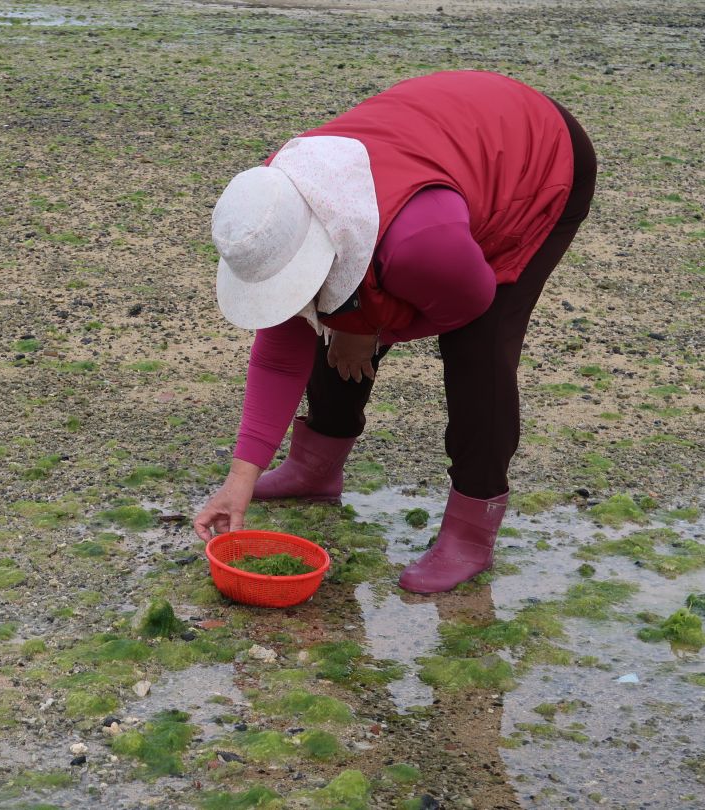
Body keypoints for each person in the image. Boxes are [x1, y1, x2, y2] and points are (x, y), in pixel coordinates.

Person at [193, 70, 596, 594]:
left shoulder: (421, 247)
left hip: (536, 161)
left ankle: (472, 530)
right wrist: (238, 482)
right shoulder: (270, 206)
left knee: (478, 350)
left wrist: (370, 330)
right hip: (443, 152)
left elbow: (468, 303)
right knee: (330, 310)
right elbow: (280, 350)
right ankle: (315, 470)